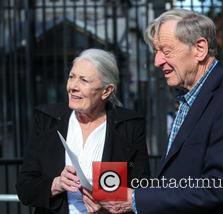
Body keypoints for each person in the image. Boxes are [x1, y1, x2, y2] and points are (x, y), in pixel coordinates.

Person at [97, 9, 223, 214]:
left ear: (200, 49)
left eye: (166, 51)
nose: (157, 61)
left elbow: (216, 187)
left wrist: (135, 198)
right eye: (156, 52)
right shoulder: (194, 95)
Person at [16, 48, 150, 214]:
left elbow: (141, 188)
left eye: (84, 80)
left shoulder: (128, 125)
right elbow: (25, 188)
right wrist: (57, 183)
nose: (73, 86)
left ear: (106, 91)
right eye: (71, 77)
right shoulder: (47, 120)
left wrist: (107, 207)